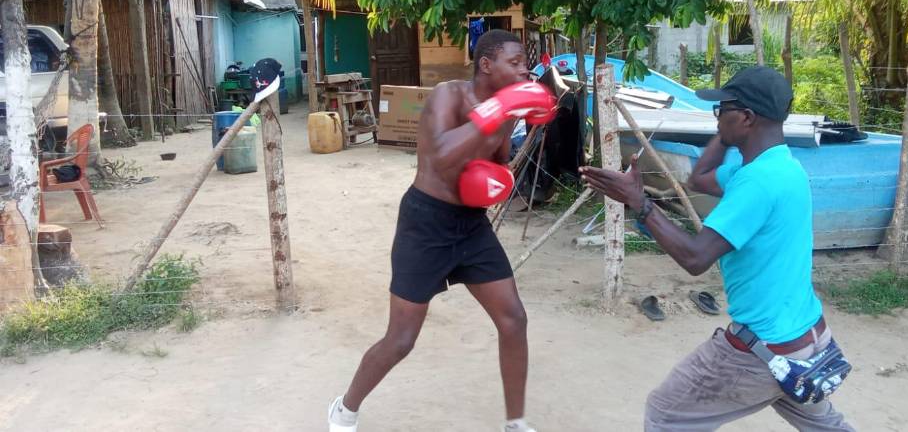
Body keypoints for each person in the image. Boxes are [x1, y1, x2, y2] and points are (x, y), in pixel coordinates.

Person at [580, 66, 854, 431]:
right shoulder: (782, 168)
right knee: (827, 426)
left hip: (763, 351)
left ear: (747, 118)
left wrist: (640, 203)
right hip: (807, 340)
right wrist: (726, 134)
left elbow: (695, 257)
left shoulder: (756, 183)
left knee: (665, 415)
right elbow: (700, 179)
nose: (715, 117)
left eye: (721, 110)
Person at [328, 29, 556, 432]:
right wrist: (497, 110)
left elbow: (497, 163)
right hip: (425, 223)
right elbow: (442, 157)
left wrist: (501, 171)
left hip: (471, 225)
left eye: (526, 63)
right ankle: (345, 409)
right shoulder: (448, 96)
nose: (526, 70)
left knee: (513, 320)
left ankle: (515, 423)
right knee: (401, 339)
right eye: (516, 62)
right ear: (486, 64)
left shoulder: (507, 111)